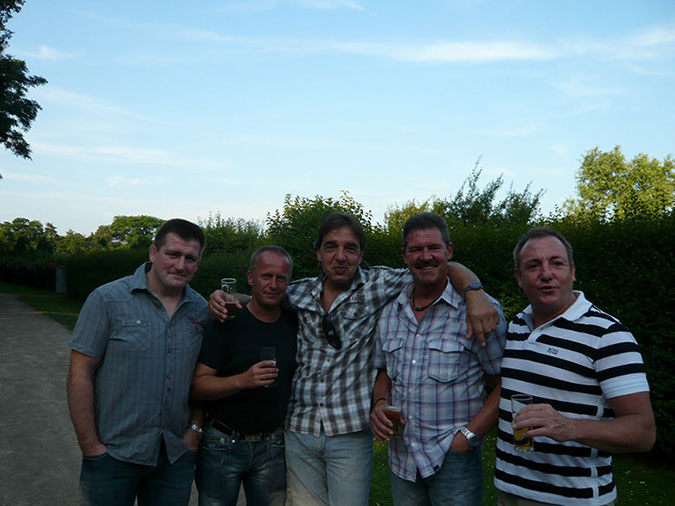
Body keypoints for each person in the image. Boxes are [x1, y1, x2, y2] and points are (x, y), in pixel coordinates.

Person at [210, 212, 501, 505]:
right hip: (300, 428)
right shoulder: (297, 293)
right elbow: (264, 298)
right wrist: (229, 298)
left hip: (349, 431)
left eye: (350, 248)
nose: (340, 256)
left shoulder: (380, 284)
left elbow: (437, 266)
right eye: (331, 247)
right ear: (318, 253)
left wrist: (474, 292)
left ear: (361, 254)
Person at [494, 227, 656, 506]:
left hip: (574, 500)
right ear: (519, 278)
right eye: (533, 266)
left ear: (572, 271)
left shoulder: (607, 334)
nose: (546, 274)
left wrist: (569, 427)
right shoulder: (517, 325)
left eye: (556, 263)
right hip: (509, 492)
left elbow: (643, 432)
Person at [66, 218, 208, 506]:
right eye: (173, 254)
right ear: (153, 253)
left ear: (198, 263)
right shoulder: (107, 300)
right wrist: (91, 447)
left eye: (190, 258)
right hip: (112, 456)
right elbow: (80, 373)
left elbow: (202, 377)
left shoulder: (201, 310)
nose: (181, 265)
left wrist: (194, 431)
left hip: (173, 457)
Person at [370, 213, 507, 505]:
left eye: (433, 247)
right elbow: (383, 371)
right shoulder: (390, 313)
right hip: (403, 458)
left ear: (449, 251)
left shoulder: (479, 311)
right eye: (416, 249)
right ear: (404, 256)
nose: (425, 257)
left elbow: (506, 382)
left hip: (453, 458)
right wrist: (380, 403)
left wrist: (468, 436)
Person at [190, 246, 297, 506]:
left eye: (281, 278)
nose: (273, 285)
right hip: (223, 443)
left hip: (272, 445)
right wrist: (243, 380)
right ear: (250, 277)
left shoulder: (295, 321)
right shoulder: (227, 320)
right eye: (266, 276)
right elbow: (198, 385)